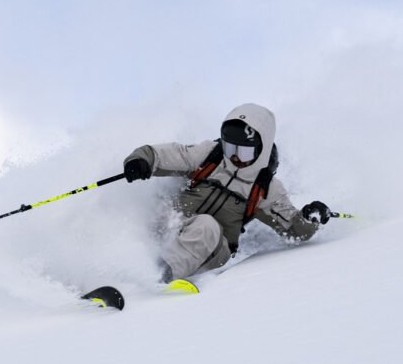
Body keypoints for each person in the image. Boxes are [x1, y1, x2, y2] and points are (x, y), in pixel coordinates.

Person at [122, 103, 332, 292]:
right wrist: (143, 160)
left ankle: (156, 280)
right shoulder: (210, 154)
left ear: (262, 150)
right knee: (146, 207)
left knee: (206, 226)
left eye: (244, 152)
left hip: (214, 247)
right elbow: (174, 154)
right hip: (175, 226)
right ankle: (113, 267)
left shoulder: (266, 188)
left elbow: (294, 229)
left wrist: (309, 218)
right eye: (230, 148)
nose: (235, 157)